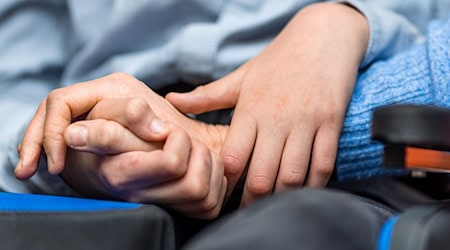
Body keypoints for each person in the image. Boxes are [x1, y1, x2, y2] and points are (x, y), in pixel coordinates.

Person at [9, 0, 449, 210]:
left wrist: (347, 21)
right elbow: (13, 87)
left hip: (378, 180)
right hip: (107, 174)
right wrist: (72, 148)